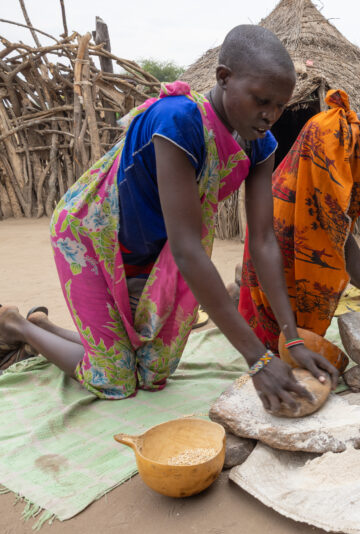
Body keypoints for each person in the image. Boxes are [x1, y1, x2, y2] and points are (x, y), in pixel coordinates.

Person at [0, 25, 337, 413]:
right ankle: (17, 325)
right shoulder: (177, 120)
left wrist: (290, 338)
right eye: (262, 100)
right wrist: (257, 359)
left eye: (280, 106)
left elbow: (262, 241)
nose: (271, 116)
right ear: (223, 77)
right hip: (92, 236)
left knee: (153, 374)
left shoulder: (261, 145)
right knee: (114, 382)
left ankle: (48, 329)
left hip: (156, 251)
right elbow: (188, 248)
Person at [238, 89, 360, 352]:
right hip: (281, 233)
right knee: (277, 341)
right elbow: (336, 234)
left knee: (306, 332)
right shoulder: (328, 137)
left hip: (324, 238)